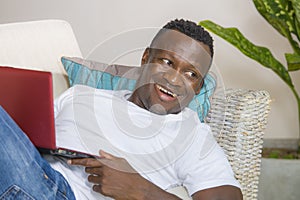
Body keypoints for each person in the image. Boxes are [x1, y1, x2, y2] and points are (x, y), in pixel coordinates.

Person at [0, 19, 243, 200]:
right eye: (167, 62)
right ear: (146, 58)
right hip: (28, 175)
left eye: (191, 74)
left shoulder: (193, 136)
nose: (174, 80)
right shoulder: (80, 95)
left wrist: (141, 189)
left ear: (198, 86)